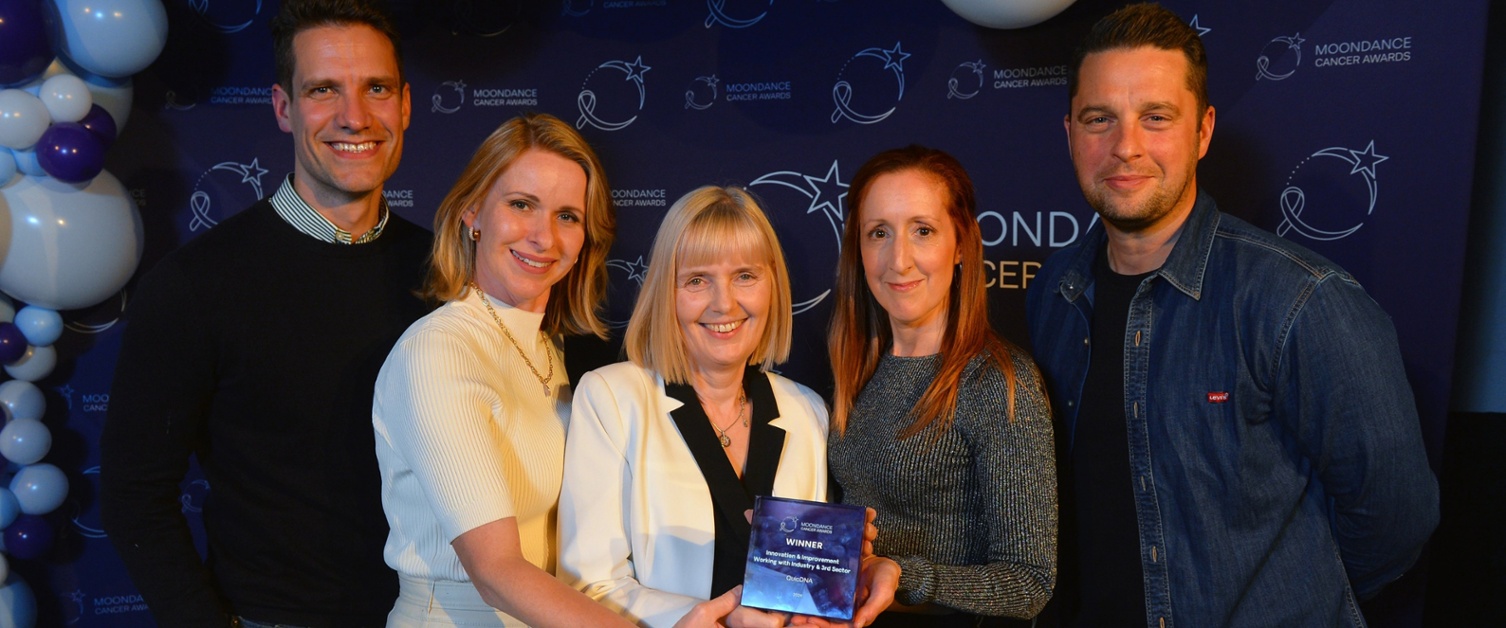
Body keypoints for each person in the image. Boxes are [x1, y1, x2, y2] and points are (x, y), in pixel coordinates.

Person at [1026, 4, 1439, 626]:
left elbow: (1396, 517)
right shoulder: (1054, 288)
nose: (1125, 146)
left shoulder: (1299, 300)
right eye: (1099, 118)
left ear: (1203, 131)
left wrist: (1285, 600)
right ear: (1069, 133)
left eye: (1156, 118)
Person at [99, 0, 428, 625]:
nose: (354, 116)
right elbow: (133, 496)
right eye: (323, 89)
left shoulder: (450, 273)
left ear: (405, 105)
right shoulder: (195, 286)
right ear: (284, 108)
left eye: (376, 88)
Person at [557, 185, 897, 627]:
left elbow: (802, 588)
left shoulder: (805, 410)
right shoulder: (612, 398)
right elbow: (587, 586)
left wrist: (843, 568)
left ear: (771, 285)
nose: (725, 303)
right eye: (697, 280)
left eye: (745, 276)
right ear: (667, 292)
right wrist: (712, 618)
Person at [827, 146, 1057, 626]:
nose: (899, 259)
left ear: (960, 245)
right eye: (879, 233)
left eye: (923, 231)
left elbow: (1029, 582)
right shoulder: (859, 369)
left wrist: (903, 577)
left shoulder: (996, 382)